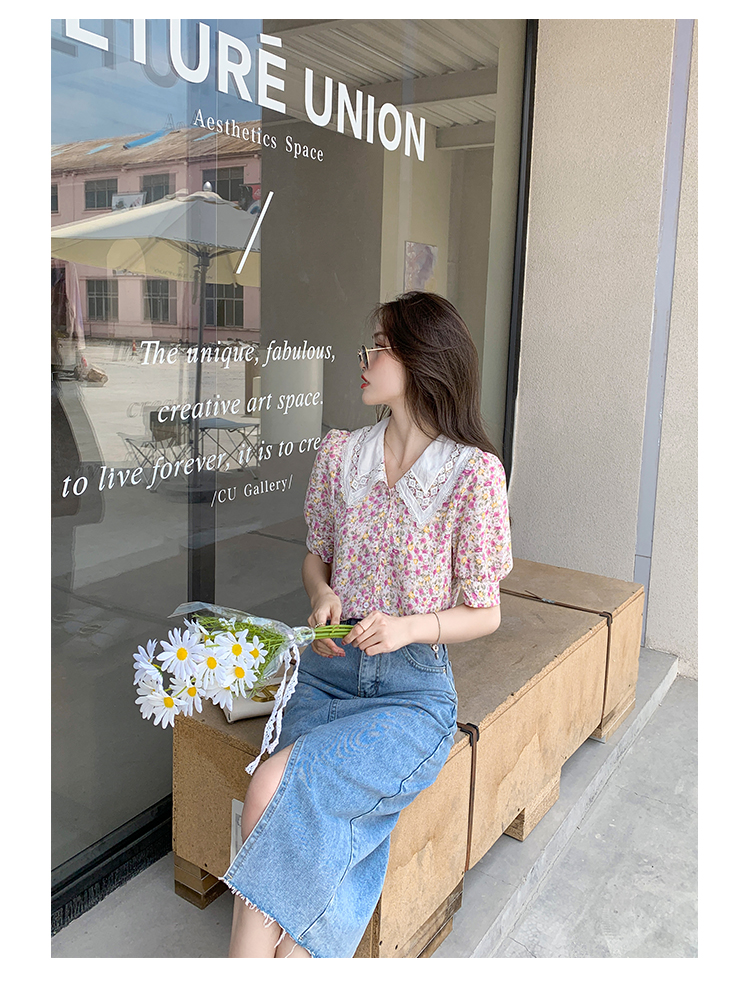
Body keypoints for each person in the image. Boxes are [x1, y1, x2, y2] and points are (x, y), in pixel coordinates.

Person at [223, 291, 513, 958]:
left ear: (420, 358)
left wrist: (409, 628)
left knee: (271, 787)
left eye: (379, 347)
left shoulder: (472, 474)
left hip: (411, 693)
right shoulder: (342, 454)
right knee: (300, 820)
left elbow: (487, 611)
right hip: (328, 671)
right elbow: (315, 555)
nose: (364, 359)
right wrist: (323, 593)